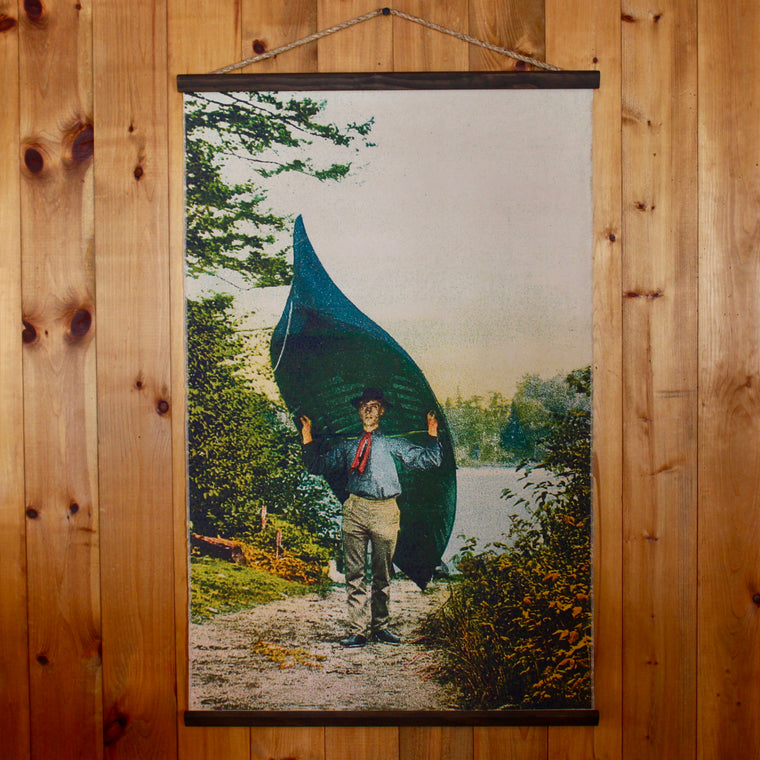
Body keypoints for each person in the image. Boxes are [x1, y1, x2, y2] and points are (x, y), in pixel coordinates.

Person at [300, 387, 442, 648]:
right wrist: (307, 437)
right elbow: (316, 466)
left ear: (382, 411)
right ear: (358, 411)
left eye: (374, 405)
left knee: (382, 574)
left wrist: (432, 432)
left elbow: (429, 461)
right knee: (354, 574)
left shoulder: (393, 443)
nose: (368, 410)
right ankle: (357, 630)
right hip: (354, 509)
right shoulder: (347, 447)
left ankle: (381, 628)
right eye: (364, 405)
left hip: (385, 511)